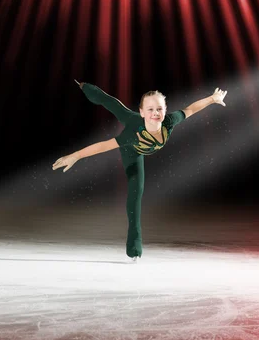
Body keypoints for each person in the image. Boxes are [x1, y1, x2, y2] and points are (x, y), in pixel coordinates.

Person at [52, 80, 227, 262]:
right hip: (132, 149)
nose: (155, 113)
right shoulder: (132, 133)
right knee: (112, 105)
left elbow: (190, 109)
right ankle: (85, 87)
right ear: (142, 112)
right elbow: (104, 146)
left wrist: (213, 99)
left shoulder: (169, 122)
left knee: (118, 110)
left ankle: (87, 88)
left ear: (165, 110)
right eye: (150, 109)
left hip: (139, 137)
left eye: (159, 109)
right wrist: (75, 156)